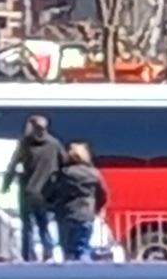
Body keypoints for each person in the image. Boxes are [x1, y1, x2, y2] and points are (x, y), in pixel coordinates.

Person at [39, 140, 108, 264]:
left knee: (68, 250)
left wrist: (51, 206)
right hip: (86, 215)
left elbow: (49, 192)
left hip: (66, 215)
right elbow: (103, 195)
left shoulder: (63, 174)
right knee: (83, 248)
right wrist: (96, 209)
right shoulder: (94, 174)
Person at [8, 112, 57, 261]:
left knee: (27, 226)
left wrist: (6, 184)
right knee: (43, 224)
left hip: (27, 191)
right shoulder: (54, 144)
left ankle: (28, 255)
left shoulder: (25, 144)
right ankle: (48, 252)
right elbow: (64, 163)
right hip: (46, 192)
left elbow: (13, 165)